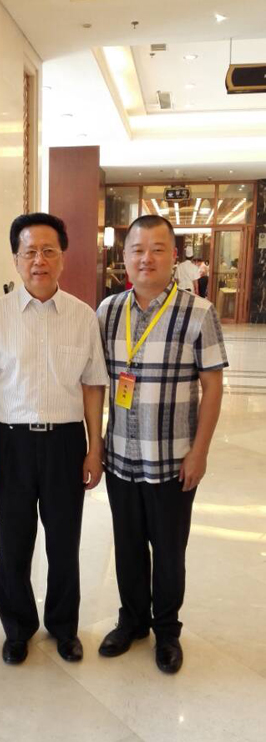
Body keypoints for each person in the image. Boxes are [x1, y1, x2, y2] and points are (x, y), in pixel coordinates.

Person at [0, 212, 108, 665]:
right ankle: (17, 628)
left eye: (49, 251)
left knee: (64, 543)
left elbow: (93, 385)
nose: (39, 260)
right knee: (14, 542)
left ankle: (64, 627)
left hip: (66, 443)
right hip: (11, 443)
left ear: (63, 258)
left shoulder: (82, 316)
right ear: (16, 259)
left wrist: (94, 447)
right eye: (29, 251)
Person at [97, 215, 228, 674]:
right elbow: (93, 383)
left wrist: (200, 452)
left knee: (169, 550)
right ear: (125, 256)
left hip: (172, 460)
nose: (146, 258)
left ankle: (167, 631)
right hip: (120, 456)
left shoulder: (199, 312)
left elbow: (213, 386)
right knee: (127, 544)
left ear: (174, 256)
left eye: (157, 249)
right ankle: (132, 621)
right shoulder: (108, 311)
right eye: (137, 249)